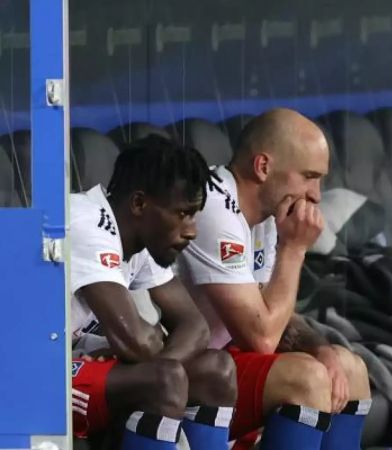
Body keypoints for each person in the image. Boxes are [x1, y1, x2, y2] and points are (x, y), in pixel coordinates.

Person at [176, 108, 372, 450]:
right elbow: (263, 337)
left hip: (223, 359)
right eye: (309, 176)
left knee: (349, 368)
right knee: (306, 379)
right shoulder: (213, 207)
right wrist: (293, 250)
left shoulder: (266, 213)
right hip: (184, 374)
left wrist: (320, 349)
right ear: (263, 167)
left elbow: (270, 312)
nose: (316, 194)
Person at [71, 135, 237, 450]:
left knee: (217, 369)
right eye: (182, 213)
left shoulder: (140, 238)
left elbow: (195, 327)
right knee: (164, 379)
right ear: (139, 204)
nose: (192, 230)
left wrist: (160, 361)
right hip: (27, 376)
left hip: (74, 359)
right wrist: (157, 362)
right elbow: (135, 342)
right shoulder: (86, 223)